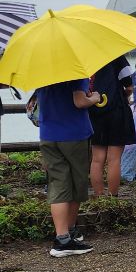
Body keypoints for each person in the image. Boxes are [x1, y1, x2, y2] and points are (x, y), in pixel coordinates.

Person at [36, 78, 101, 256]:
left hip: (48, 134)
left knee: (58, 183)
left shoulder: (41, 73)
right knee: (76, 183)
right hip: (74, 134)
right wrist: (94, 98)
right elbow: (79, 101)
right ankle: (66, 235)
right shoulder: (75, 72)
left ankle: (63, 235)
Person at [87, 55, 135, 197]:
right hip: (116, 110)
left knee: (97, 159)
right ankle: (113, 197)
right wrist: (125, 93)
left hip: (94, 111)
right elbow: (129, 85)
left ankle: (99, 196)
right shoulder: (115, 55)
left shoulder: (86, 56)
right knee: (114, 159)